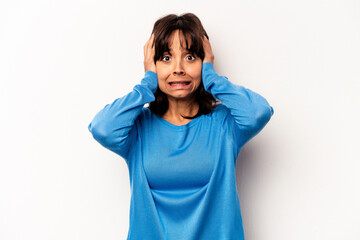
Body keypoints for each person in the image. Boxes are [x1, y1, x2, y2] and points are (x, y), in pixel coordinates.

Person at [88, 13, 274, 240]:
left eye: (190, 57)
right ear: (152, 64)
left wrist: (212, 78)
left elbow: (258, 112)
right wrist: (147, 82)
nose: (178, 69)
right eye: (166, 58)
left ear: (204, 62)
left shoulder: (225, 124)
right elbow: (102, 128)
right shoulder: (137, 129)